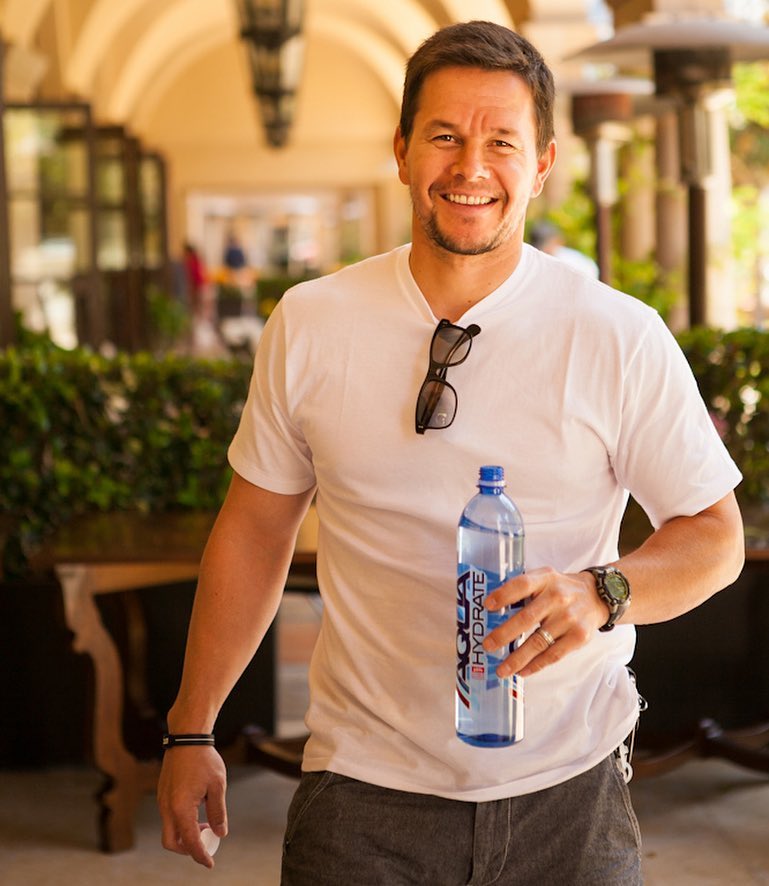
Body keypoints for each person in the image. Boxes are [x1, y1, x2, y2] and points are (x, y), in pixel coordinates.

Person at [157, 21, 744, 884]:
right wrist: (190, 728)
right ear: (400, 151)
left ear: (541, 164)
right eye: (443, 136)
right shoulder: (311, 322)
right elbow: (254, 530)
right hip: (360, 795)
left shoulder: (617, 334)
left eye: (501, 141)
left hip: (570, 797)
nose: (470, 166)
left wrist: (602, 592)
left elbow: (714, 537)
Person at [528, 219, 600, 277]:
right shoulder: (536, 258)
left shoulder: (571, 261)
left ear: (556, 241)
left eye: (546, 245)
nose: (542, 251)